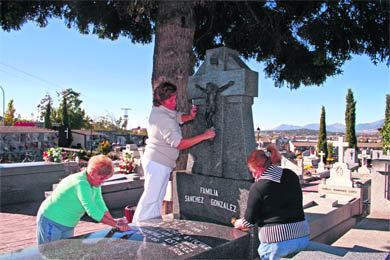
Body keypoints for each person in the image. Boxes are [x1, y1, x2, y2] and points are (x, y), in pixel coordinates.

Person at [132, 81, 215, 223]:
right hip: (158, 163)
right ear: (161, 101)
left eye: (175, 98)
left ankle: (151, 224)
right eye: (171, 100)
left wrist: (189, 116)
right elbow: (179, 143)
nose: (175, 102)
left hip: (159, 161)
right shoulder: (163, 119)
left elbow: (175, 116)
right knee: (151, 198)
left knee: (157, 197)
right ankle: (138, 227)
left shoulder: (160, 110)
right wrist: (205, 136)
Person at [234, 144, 310, 260]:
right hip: (302, 236)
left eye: (253, 172)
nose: (253, 176)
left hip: (276, 243)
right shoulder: (291, 175)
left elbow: (249, 221)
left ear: (259, 170)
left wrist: (238, 223)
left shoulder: (259, 187)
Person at [36, 155, 129, 245]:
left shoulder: (94, 183)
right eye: (101, 178)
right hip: (51, 220)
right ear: (92, 172)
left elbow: (99, 203)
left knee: (62, 255)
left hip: (68, 224)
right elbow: (92, 211)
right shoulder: (81, 183)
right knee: (48, 254)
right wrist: (115, 224)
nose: (102, 182)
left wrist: (114, 222)